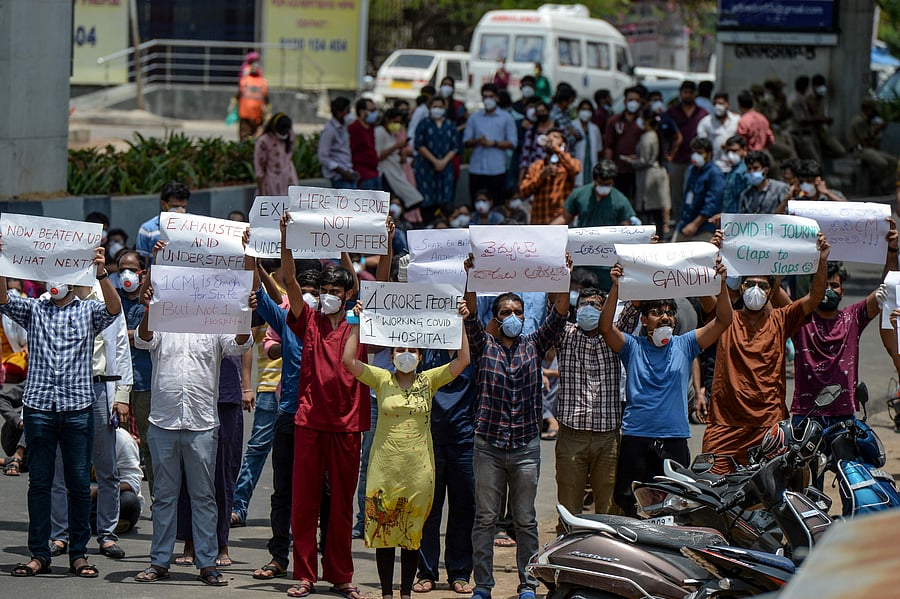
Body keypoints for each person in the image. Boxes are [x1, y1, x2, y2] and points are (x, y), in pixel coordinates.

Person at [133, 241, 254, 586]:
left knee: (204, 496)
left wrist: (244, 314)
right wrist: (146, 306)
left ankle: (206, 562)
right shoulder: (161, 318)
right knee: (165, 497)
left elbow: (238, 345)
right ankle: (159, 562)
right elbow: (144, 341)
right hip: (164, 420)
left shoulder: (213, 321)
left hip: (202, 421)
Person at [0, 241, 121, 579]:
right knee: (39, 482)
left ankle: (79, 553)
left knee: (80, 483)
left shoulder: (87, 309)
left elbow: (113, 310)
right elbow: (3, 301)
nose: (56, 280)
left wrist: (101, 272)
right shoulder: (34, 308)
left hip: (77, 408)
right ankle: (40, 553)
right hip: (39, 407)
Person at [342, 300, 470, 599]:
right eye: (400, 350)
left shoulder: (428, 381)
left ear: (420, 355)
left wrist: (461, 321)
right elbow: (348, 361)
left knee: (412, 534)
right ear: (392, 355)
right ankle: (387, 593)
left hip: (418, 472)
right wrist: (356, 322)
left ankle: (405, 594)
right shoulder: (381, 379)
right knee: (384, 532)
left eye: (412, 350)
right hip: (384, 471)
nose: (406, 354)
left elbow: (462, 360)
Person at [463, 260, 570, 599]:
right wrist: (471, 275)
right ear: (495, 317)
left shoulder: (534, 344)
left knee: (525, 520)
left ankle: (527, 583)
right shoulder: (484, 346)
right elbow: (469, 315)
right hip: (489, 447)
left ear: (524, 317)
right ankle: (483, 585)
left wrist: (562, 274)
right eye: (506, 311)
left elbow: (559, 314)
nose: (513, 317)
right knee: (485, 519)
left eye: (518, 312)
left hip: (525, 447)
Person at [599, 248, 732, 515]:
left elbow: (724, 320)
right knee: (631, 503)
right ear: (644, 320)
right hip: (637, 437)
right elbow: (605, 328)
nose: (665, 317)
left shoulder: (685, 344)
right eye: (657, 312)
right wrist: (615, 288)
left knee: (675, 505)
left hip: (674, 439)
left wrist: (722, 285)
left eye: (669, 312)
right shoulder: (632, 346)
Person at [281, 214, 369, 599]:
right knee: (304, 502)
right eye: (326, 287)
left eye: (337, 288)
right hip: (310, 421)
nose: (329, 292)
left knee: (341, 507)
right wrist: (286, 239)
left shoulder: (359, 323)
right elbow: (289, 281)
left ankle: (341, 575)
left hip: (348, 423)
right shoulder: (310, 319)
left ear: (347, 294)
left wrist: (379, 241)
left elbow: (375, 286)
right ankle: (304, 574)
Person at [701, 234, 830, 472]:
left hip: (769, 427)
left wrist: (821, 260)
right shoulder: (726, 319)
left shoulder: (781, 319)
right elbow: (704, 293)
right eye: (750, 284)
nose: (755, 290)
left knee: (771, 496)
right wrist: (709, 253)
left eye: (762, 285)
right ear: (741, 287)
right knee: (711, 491)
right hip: (725, 425)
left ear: (771, 291)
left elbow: (814, 298)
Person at [49, 281, 133, 561]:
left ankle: (107, 535)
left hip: (99, 389)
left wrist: (122, 394)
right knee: (61, 467)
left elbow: (120, 344)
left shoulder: (105, 294)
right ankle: (60, 535)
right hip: (64, 388)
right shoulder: (56, 290)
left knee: (106, 466)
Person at [791, 238, 896, 435]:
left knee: (852, 465)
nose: (829, 290)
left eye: (834, 286)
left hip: (843, 415)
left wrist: (891, 250)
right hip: (805, 414)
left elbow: (887, 287)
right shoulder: (799, 318)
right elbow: (774, 289)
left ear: (842, 292)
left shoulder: (853, 317)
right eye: (824, 285)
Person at [554, 287, 639, 520]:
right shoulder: (564, 333)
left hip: (607, 438)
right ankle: (569, 550)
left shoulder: (615, 335)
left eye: (595, 305)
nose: (588, 309)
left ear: (605, 310)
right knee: (569, 507)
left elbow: (633, 309)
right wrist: (563, 273)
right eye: (583, 304)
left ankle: (606, 550)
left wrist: (619, 282)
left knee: (610, 507)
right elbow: (556, 308)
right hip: (572, 434)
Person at [554, 161, 637, 291]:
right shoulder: (580, 195)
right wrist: (546, 232)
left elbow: (627, 231)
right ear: (594, 179)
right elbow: (565, 218)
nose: (604, 187)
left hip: (607, 267)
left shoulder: (620, 200)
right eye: (601, 184)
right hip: (582, 263)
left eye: (608, 184)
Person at [115, 251, 155, 491]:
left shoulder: (150, 299)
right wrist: (134, 336)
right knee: (113, 441)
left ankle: (157, 500)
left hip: (144, 381)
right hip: (115, 381)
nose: (125, 274)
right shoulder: (111, 298)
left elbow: (147, 337)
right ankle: (115, 496)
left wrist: (125, 336)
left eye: (130, 268)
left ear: (142, 273)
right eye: (121, 269)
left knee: (150, 443)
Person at [464, 84, 518, 205]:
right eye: (485, 97)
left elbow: (512, 143)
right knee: (476, 203)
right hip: (477, 168)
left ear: (497, 98)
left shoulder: (506, 118)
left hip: (496, 169)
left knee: (496, 202)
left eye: (491, 96)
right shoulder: (474, 118)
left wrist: (493, 143)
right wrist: (478, 141)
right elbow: (466, 142)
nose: (488, 100)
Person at [666, 81, 709, 223]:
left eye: (690, 92)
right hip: (677, 159)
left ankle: (692, 221)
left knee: (694, 192)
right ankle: (678, 221)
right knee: (676, 192)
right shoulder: (672, 112)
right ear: (680, 93)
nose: (688, 95)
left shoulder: (702, 113)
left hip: (697, 160)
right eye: (685, 92)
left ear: (695, 94)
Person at [519, 128, 581, 225]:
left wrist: (557, 150)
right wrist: (541, 177)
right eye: (548, 137)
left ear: (563, 144)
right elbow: (523, 191)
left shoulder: (570, 164)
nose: (551, 139)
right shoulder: (536, 166)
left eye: (555, 137)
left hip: (561, 221)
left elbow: (575, 169)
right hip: (539, 220)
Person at [414, 95, 459, 221]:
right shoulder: (423, 124)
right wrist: (434, 161)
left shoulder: (450, 125)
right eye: (434, 107)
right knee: (426, 197)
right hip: (426, 166)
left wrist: (443, 161)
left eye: (440, 107)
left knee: (445, 199)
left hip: (446, 167)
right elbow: (419, 144)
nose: (437, 109)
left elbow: (455, 147)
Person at [627, 110, 671, 237]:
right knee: (657, 209)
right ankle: (659, 235)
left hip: (649, 176)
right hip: (655, 173)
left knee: (647, 208)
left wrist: (631, 162)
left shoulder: (647, 136)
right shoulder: (655, 134)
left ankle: (649, 236)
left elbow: (645, 160)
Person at [674, 137, 723, 243]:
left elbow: (712, 204)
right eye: (694, 152)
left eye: (700, 153)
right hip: (686, 221)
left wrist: (695, 224)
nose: (696, 156)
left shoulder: (714, 173)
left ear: (709, 153)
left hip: (704, 227)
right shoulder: (692, 169)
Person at [377, 108, 424, 211]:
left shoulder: (393, 134)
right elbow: (378, 155)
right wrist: (396, 146)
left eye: (399, 123)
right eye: (395, 122)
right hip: (387, 174)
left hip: (397, 171)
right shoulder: (379, 132)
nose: (397, 125)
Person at [848, 97, 897, 195]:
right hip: (859, 149)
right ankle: (876, 186)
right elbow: (865, 140)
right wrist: (878, 129)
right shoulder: (859, 121)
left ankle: (884, 185)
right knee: (882, 164)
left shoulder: (866, 120)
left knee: (894, 161)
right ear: (867, 109)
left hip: (868, 149)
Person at [603, 87, 644, 201]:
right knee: (619, 199)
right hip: (620, 169)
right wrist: (608, 168)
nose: (633, 103)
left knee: (637, 200)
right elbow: (609, 146)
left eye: (636, 100)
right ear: (625, 101)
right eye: (631, 100)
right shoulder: (614, 121)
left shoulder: (644, 122)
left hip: (639, 168)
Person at [135, 181, 190, 265]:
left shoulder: (194, 226)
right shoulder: (147, 229)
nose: (180, 210)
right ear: (164, 205)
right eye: (175, 206)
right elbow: (142, 264)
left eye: (183, 207)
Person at [255, 112, 300, 196]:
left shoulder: (290, 135)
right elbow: (259, 168)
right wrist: (262, 191)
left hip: (289, 180)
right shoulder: (264, 141)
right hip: (272, 183)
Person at [319, 97, 358, 189]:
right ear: (339, 112)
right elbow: (323, 156)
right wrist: (341, 171)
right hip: (338, 177)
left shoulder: (343, 127)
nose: (350, 115)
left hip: (347, 174)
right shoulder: (330, 130)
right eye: (347, 111)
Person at [696, 93, 741, 173]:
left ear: (727, 105)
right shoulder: (706, 122)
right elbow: (701, 143)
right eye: (715, 104)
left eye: (721, 104)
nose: (718, 106)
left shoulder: (736, 120)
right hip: (714, 166)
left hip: (733, 165)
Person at [805, 74, 846, 160]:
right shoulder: (808, 97)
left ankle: (823, 156)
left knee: (840, 151)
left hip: (822, 131)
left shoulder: (822, 97)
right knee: (816, 157)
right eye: (819, 86)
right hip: (810, 132)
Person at [737, 151, 790, 215]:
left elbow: (788, 214)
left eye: (755, 168)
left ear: (765, 170)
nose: (751, 172)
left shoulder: (780, 189)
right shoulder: (746, 195)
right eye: (749, 169)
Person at [349, 98, 382, 191]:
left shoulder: (371, 127)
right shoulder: (354, 128)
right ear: (362, 112)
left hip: (374, 172)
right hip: (363, 174)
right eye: (371, 110)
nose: (374, 113)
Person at [517, 101, 555, 183]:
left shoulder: (557, 128)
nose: (542, 114)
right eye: (539, 112)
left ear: (548, 111)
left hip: (553, 170)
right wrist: (521, 179)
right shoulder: (532, 130)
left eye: (543, 111)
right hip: (535, 170)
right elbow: (525, 155)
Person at [235, 57, 269, 140]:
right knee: (257, 137)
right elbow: (266, 99)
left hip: (245, 114)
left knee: (244, 137)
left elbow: (238, 95)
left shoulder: (244, 80)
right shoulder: (263, 82)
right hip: (258, 115)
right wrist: (268, 112)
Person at [573, 99, 603, 187]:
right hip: (576, 167)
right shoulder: (572, 126)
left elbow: (598, 149)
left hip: (591, 167)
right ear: (578, 111)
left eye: (589, 110)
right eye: (583, 109)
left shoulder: (595, 129)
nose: (586, 112)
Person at [720, 134, 749, 214]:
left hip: (739, 220)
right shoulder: (732, 170)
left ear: (744, 149)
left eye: (734, 151)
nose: (730, 154)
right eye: (728, 151)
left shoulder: (745, 170)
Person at [550, 83, 582, 151]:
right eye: (571, 101)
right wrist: (573, 134)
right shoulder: (553, 115)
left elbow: (577, 133)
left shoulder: (566, 113)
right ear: (564, 101)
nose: (572, 103)